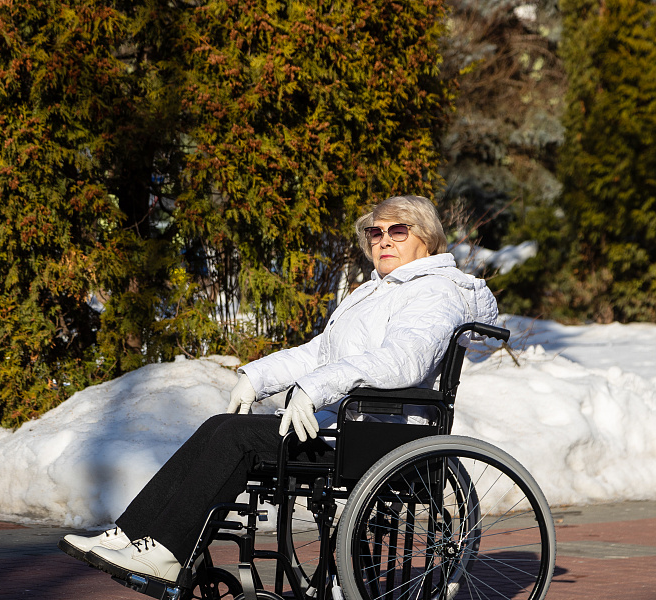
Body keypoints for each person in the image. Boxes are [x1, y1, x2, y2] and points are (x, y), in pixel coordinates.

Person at [58, 194, 498, 584]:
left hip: (381, 433)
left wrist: (315, 388)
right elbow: (320, 352)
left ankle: (168, 552)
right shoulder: (380, 291)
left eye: (397, 230)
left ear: (427, 238)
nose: (383, 239)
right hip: (353, 424)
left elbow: (404, 360)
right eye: (374, 231)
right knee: (222, 425)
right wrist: (257, 377)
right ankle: (132, 534)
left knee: (237, 437)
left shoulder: (434, 291)